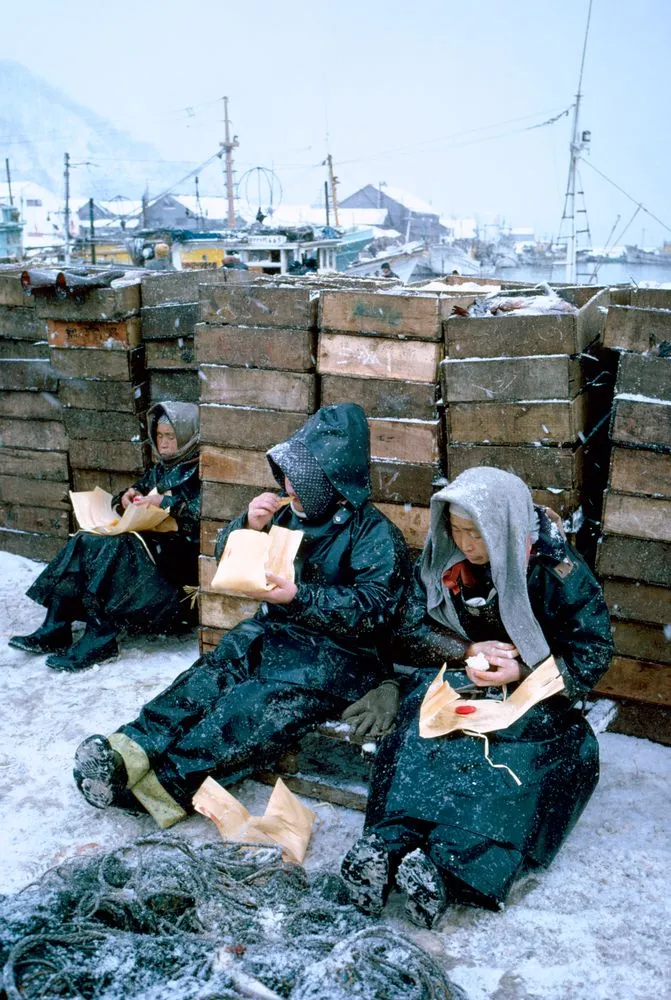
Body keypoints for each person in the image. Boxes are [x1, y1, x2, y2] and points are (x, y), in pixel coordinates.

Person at [72, 403, 410, 828]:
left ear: (332, 483)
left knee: (249, 710)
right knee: (208, 675)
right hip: (272, 631)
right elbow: (227, 558)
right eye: (286, 475)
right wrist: (246, 526)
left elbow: (374, 611)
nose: (289, 487)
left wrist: (299, 596)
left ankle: (163, 787)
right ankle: (128, 751)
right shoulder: (286, 514)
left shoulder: (374, 534)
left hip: (338, 657)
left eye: (301, 480)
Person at [340, 466, 614, 929]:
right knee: (421, 737)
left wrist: (525, 670)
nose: (465, 544)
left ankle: (448, 870)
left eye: (477, 533)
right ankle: (385, 848)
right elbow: (408, 629)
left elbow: (594, 650)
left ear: (504, 527)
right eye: (457, 530)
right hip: (460, 683)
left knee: (513, 767)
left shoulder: (554, 569)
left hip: (536, 698)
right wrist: (465, 649)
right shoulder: (443, 562)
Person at [9, 402, 200, 672]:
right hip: (146, 557)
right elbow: (134, 494)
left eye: (171, 437)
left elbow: (204, 512)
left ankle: (101, 634)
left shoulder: (204, 471)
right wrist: (125, 498)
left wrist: (168, 503)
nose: (164, 443)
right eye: (160, 436)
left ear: (188, 436)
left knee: (119, 546)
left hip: (172, 578)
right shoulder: (161, 469)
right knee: (85, 539)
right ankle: (56, 623)